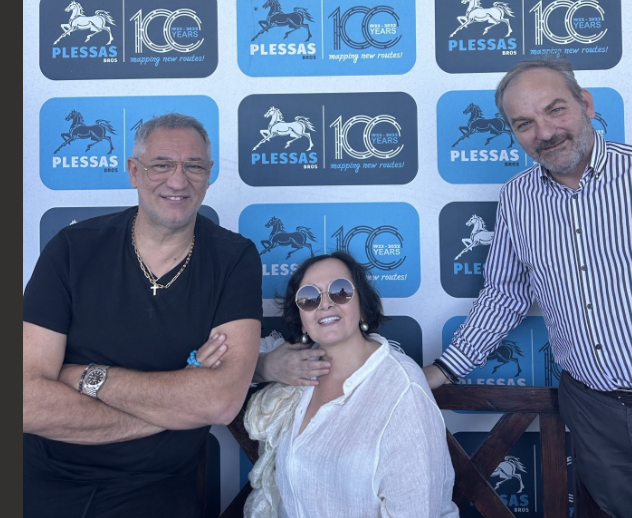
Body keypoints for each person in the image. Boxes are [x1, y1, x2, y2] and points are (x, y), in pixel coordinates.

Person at [424, 57, 632, 518]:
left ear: (585, 104)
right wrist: (443, 371)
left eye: (555, 110)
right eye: (524, 123)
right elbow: (505, 294)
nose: (545, 133)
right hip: (595, 419)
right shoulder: (518, 197)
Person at [23, 113, 265, 517]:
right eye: (161, 165)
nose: (178, 181)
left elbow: (220, 401)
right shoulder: (72, 249)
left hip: (158, 488)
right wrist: (175, 407)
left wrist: (88, 377)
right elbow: (26, 401)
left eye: (193, 166)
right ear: (134, 171)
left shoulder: (234, 258)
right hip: (47, 480)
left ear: (208, 174)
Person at [243, 251, 459, 518]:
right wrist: (265, 366)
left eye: (340, 291)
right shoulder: (295, 373)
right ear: (302, 318)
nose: (325, 304)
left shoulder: (404, 389)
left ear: (362, 304)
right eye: (309, 297)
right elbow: (218, 364)